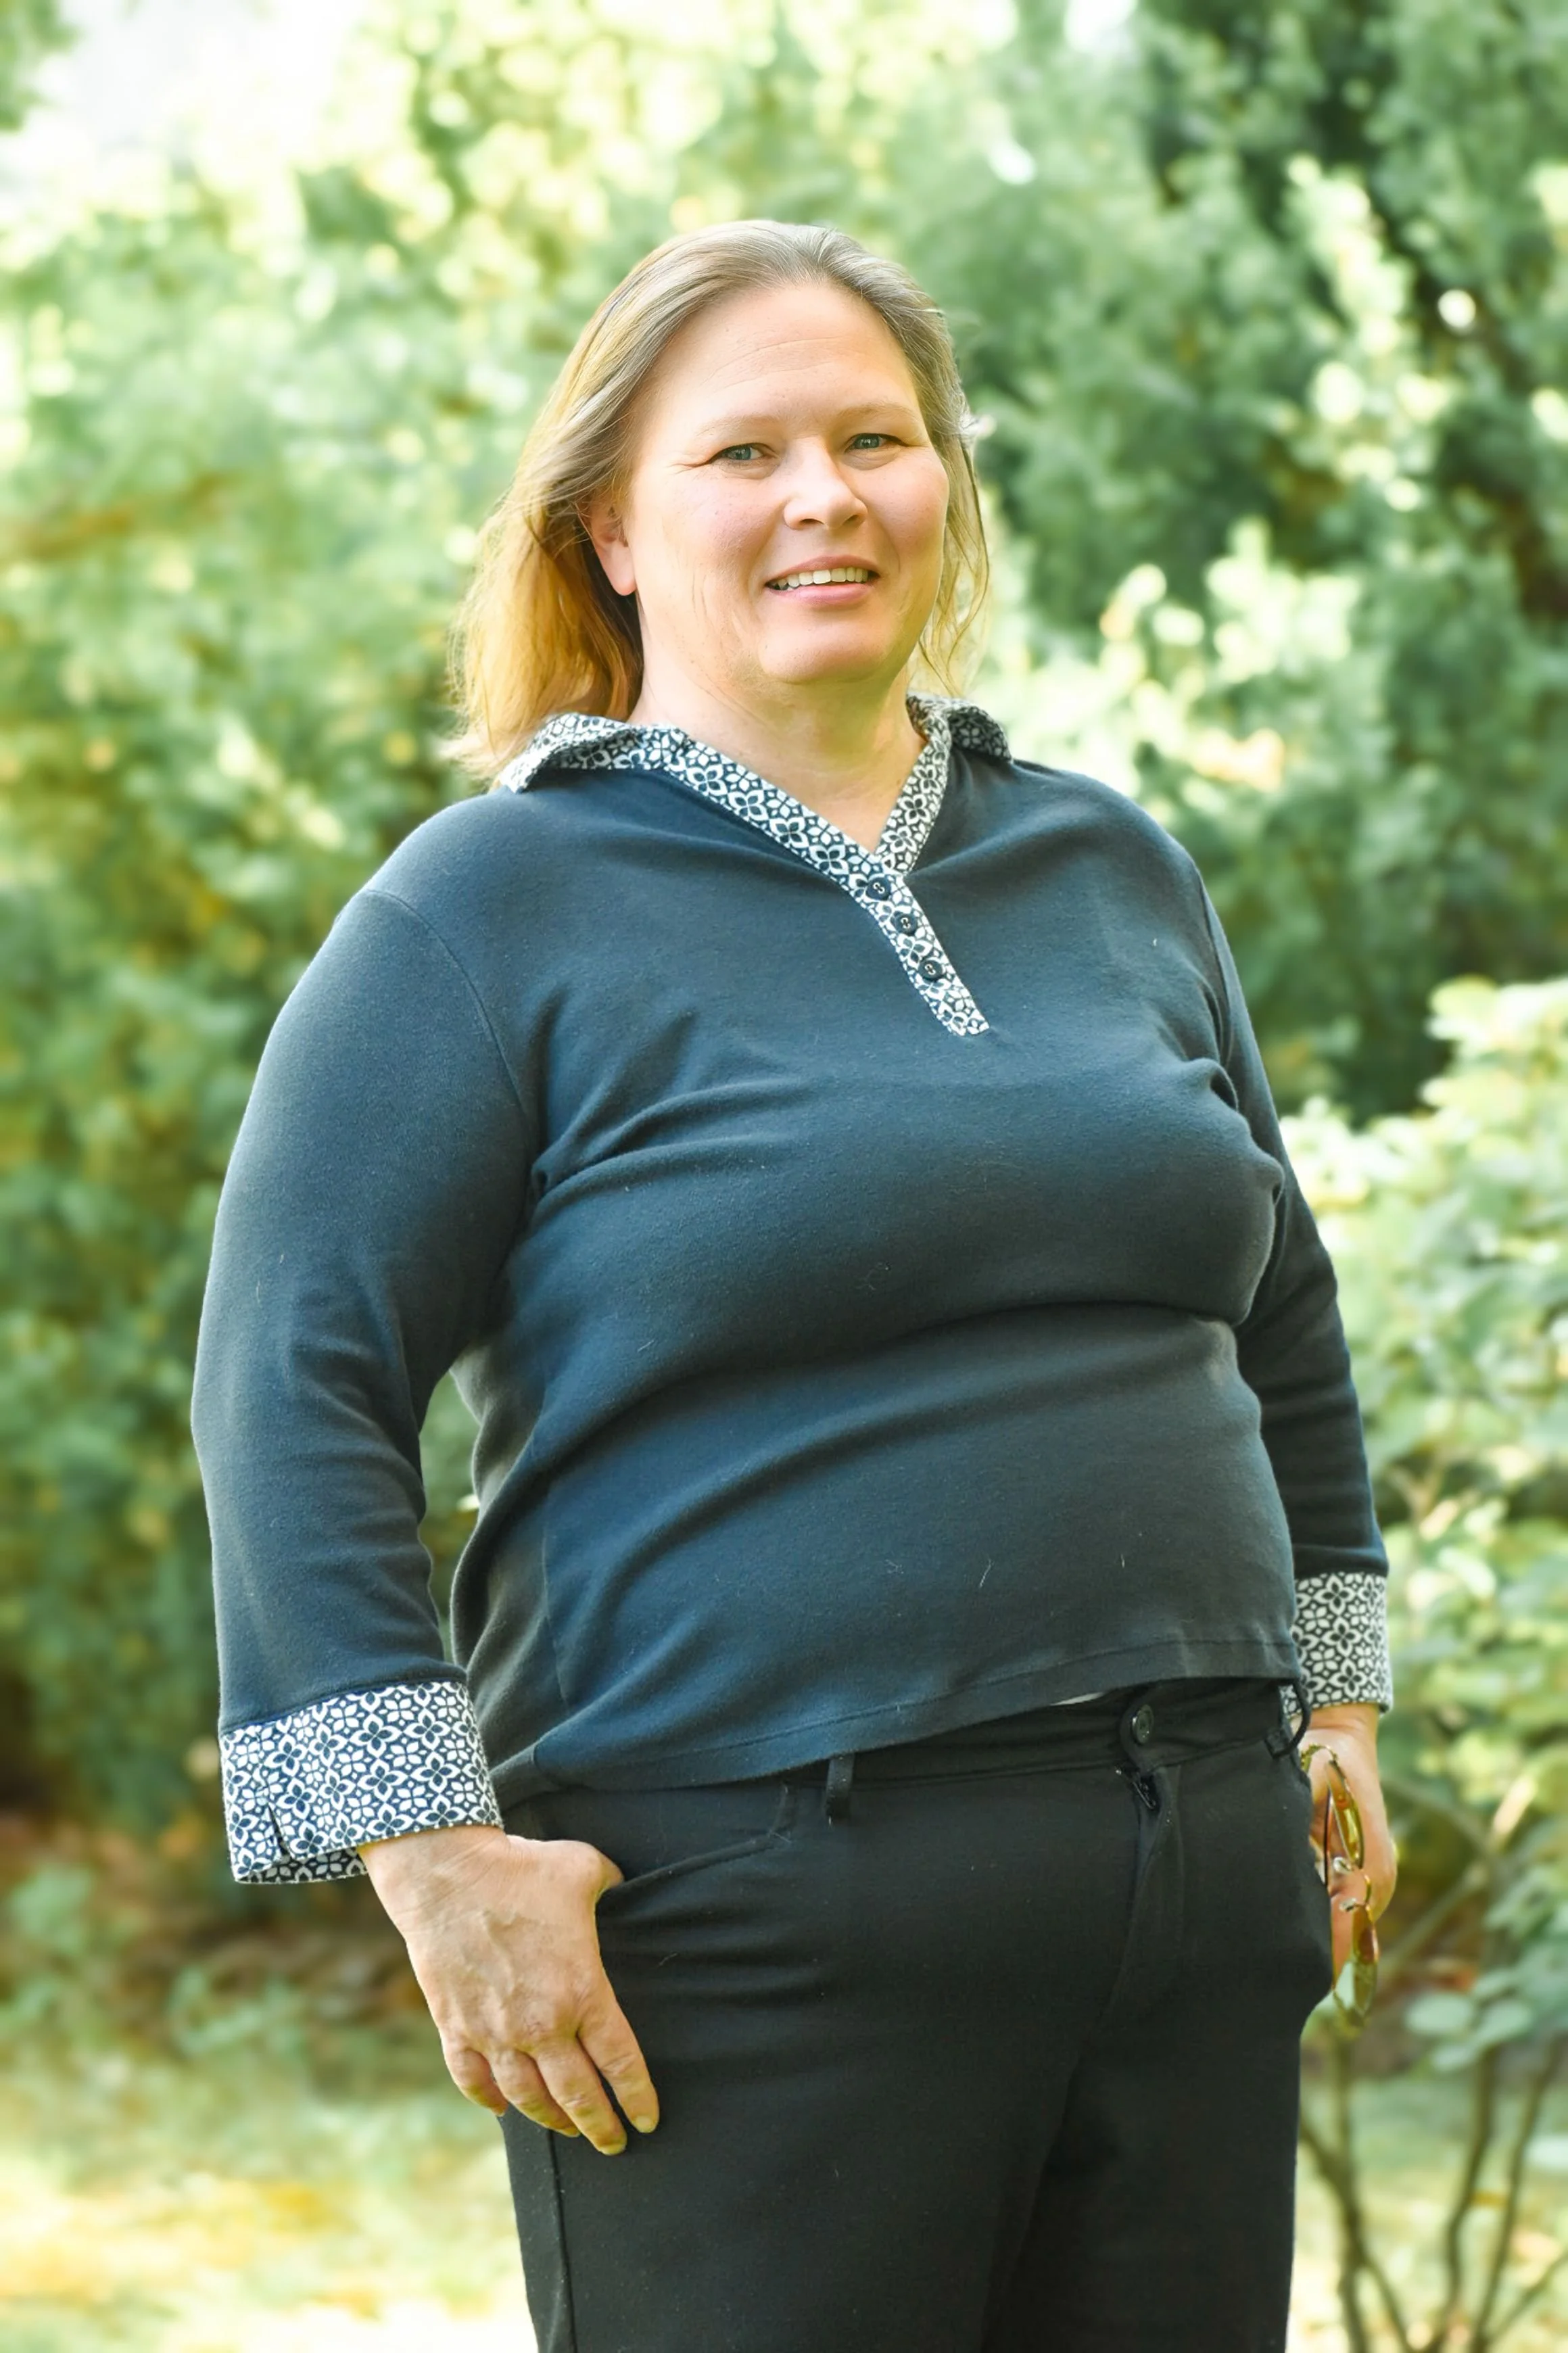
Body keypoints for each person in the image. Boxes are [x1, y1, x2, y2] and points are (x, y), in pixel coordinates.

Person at [193, 220, 1397, 2353]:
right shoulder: (488, 907)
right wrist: (430, 1854)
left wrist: (1335, 1695)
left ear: (945, 482)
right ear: (609, 532)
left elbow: (1271, 1301)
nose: (824, 496)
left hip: (1196, 1882)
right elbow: (293, 1375)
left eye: (876, 438)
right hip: (747, 1909)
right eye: (740, 451)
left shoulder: (1104, 862)